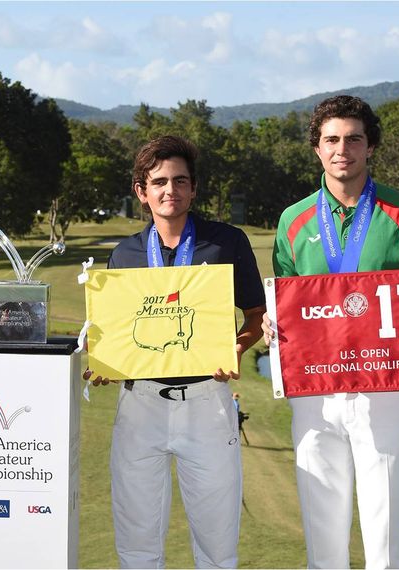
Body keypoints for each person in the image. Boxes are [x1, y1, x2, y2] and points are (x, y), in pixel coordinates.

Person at [261, 95, 399, 569]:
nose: (341, 149)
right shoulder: (294, 220)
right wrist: (272, 323)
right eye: (331, 139)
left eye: (353, 139)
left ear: (370, 147)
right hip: (316, 393)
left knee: (386, 541)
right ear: (317, 149)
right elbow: (288, 307)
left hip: (387, 388)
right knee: (322, 543)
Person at [84, 135, 265, 568]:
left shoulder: (226, 242)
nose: (171, 190)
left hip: (207, 402)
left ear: (194, 188)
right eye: (159, 181)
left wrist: (236, 348)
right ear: (141, 191)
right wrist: (105, 363)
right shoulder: (124, 254)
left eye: (180, 181)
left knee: (218, 549)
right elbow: (114, 334)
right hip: (140, 405)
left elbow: (256, 317)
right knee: (137, 546)